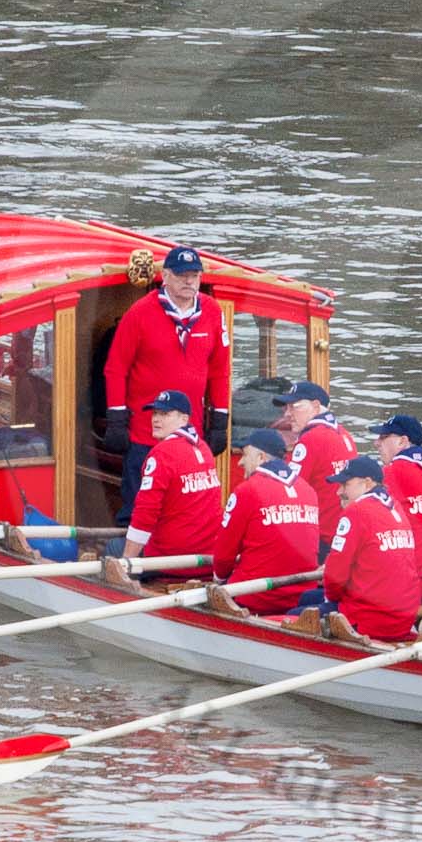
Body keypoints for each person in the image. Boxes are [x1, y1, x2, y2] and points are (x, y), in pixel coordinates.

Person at [101, 245, 231, 526]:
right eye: (182, 275)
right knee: (138, 507)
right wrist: (116, 418)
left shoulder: (212, 311)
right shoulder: (140, 312)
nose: (189, 281)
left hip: (190, 433)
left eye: (194, 275)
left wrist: (220, 420)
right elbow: (115, 368)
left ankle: (180, 561)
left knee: (186, 509)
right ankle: (133, 563)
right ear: (166, 276)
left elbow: (220, 371)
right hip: (146, 432)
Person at [290, 455, 421, 642]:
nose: (338, 492)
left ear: (367, 483)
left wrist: (331, 597)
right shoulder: (395, 507)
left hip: (370, 619)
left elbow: (335, 578)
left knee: (293, 613)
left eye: (345, 485)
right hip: (404, 616)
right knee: (308, 598)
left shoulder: (357, 511)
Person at [102, 390, 220, 587]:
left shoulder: (162, 454)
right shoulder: (204, 449)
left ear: (184, 419)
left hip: (172, 559)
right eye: (155, 413)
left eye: (164, 414)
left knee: (113, 548)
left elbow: (144, 514)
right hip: (209, 556)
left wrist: (125, 563)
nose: (156, 420)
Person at [212, 427, 321, 614]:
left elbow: (223, 555)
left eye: (245, 455)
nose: (241, 462)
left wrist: (218, 581)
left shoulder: (247, 490)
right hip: (302, 593)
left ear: (261, 457)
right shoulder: (307, 490)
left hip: (255, 596)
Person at [371, 414, 422, 611]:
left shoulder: (391, 472)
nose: (376, 443)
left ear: (402, 441)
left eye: (383, 437)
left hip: (407, 587)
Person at [274, 380, 354, 558]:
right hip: (342, 533)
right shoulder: (344, 434)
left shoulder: (311, 439)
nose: (288, 414)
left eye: (294, 407)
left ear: (316, 406)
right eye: (286, 408)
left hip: (320, 539)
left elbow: (287, 490)